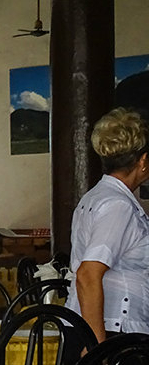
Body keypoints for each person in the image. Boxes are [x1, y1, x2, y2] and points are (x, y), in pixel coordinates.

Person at [67, 108, 149, 341]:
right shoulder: (118, 205)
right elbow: (88, 274)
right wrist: (97, 345)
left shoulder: (97, 196)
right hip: (113, 329)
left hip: (97, 324)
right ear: (142, 161)